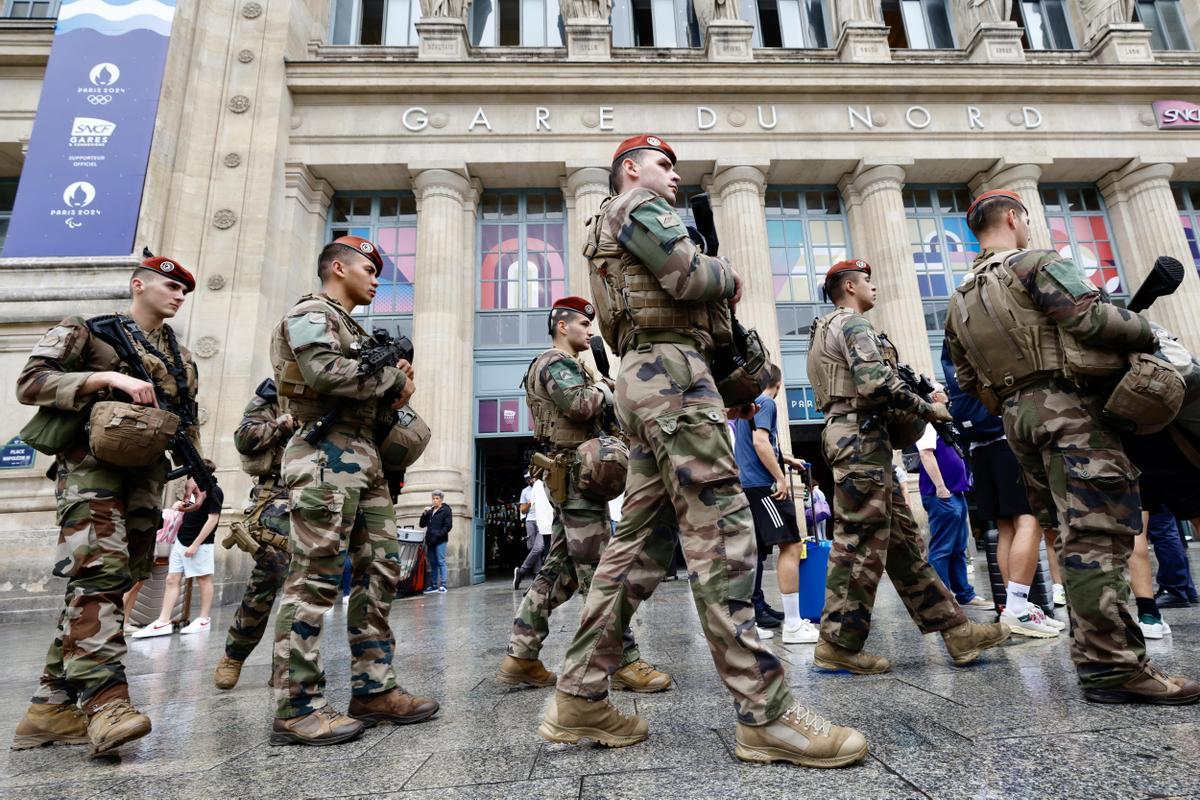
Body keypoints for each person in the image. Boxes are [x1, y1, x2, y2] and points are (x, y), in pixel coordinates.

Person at [541, 135, 866, 769]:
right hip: (671, 377)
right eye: (664, 164)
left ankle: (579, 694)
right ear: (630, 170)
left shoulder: (613, 219)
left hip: (648, 379)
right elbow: (689, 275)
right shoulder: (638, 204)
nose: (674, 174)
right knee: (722, 534)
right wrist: (733, 273)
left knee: (639, 544)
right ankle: (765, 714)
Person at [944, 188, 1199, 705]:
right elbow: (1091, 318)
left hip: (1020, 421)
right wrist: (1149, 333)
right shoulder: (1035, 263)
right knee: (1098, 536)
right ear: (1014, 218)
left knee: (1067, 536)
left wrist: (1016, 401)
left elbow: (966, 379)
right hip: (1071, 412)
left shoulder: (961, 297)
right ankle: (1113, 669)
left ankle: (1104, 660)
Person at [12, 255, 207, 756]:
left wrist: (196, 475)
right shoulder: (89, 331)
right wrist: (106, 381)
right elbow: (30, 382)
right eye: (170, 285)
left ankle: (48, 709)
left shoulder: (182, 358)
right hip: (89, 472)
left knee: (110, 583)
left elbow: (185, 421)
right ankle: (106, 704)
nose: (179, 295)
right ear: (138, 285)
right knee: (99, 574)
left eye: (185, 290)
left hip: (146, 480)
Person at [269, 234, 438, 746]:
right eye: (368, 268)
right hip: (323, 457)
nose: (375, 278)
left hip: (365, 459)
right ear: (338, 268)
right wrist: (391, 380)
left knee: (382, 570)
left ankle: (373, 687)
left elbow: (369, 390)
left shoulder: (352, 328)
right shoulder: (311, 314)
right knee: (315, 579)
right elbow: (325, 374)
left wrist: (395, 386)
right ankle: (296, 705)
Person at [808, 258, 1008, 678]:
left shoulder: (823, 328)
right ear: (848, 287)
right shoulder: (853, 325)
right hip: (860, 439)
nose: (874, 287)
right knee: (859, 543)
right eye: (867, 280)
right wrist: (930, 410)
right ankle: (838, 645)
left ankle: (956, 631)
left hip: (855, 438)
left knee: (903, 544)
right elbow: (875, 384)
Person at [499, 296, 670, 694]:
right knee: (600, 572)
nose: (590, 331)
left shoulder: (572, 365)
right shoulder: (556, 363)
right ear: (562, 326)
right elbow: (579, 405)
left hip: (575, 476)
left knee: (558, 571)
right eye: (582, 324)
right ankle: (623, 660)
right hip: (575, 477)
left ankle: (522, 655)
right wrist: (607, 387)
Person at [939, 343, 1064, 637]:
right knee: (1030, 518)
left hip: (979, 446)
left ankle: (1011, 607)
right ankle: (1019, 608)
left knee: (1006, 526)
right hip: (1007, 438)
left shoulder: (954, 341)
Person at [212, 378, 294, 689]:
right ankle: (234, 654)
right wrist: (285, 424)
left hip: (325, 495)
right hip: (279, 496)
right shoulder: (276, 394)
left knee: (310, 585)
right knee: (268, 575)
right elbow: (244, 438)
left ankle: (287, 665)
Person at [732, 362, 818, 645]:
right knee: (791, 545)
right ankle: (793, 624)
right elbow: (760, 443)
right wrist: (781, 478)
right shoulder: (766, 403)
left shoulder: (750, 404)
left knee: (753, 553)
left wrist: (786, 459)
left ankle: (748, 624)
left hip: (750, 485)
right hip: (762, 487)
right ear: (778, 384)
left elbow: (756, 445)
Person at [914, 391, 993, 612]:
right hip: (941, 494)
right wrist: (941, 487)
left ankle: (964, 594)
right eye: (940, 392)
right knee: (942, 548)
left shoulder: (944, 425)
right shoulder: (928, 425)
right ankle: (943, 598)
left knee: (958, 546)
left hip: (954, 492)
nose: (947, 396)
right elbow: (926, 454)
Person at [131, 475, 223, 638]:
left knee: (203, 579)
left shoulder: (214, 491)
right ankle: (163, 621)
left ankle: (203, 619)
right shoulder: (193, 492)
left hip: (201, 543)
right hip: (182, 540)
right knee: (172, 579)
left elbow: (213, 519)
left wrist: (196, 544)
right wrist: (180, 506)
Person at [513, 472, 542, 589]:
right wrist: (530, 503)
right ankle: (536, 575)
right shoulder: (525, 492)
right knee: (532, 549)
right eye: (527, 480)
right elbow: (523, 510)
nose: (530, 481)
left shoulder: (542, 487)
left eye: (531, 478)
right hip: (530, 521)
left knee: (539, 547)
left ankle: (521, 571)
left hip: (542, 521)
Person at [420, 491, 452, 593]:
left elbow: (448, 526)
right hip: (430, 541)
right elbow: (422, 525)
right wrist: (424, 514)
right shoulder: (430, 511)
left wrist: (438, 534)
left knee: (441, 561)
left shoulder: (446, 510)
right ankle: (433, 586)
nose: (435, 500)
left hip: (440, 540)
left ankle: (443, 585)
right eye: (433, 498)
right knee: (433, 563)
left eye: (437, 498)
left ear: (441, 500)